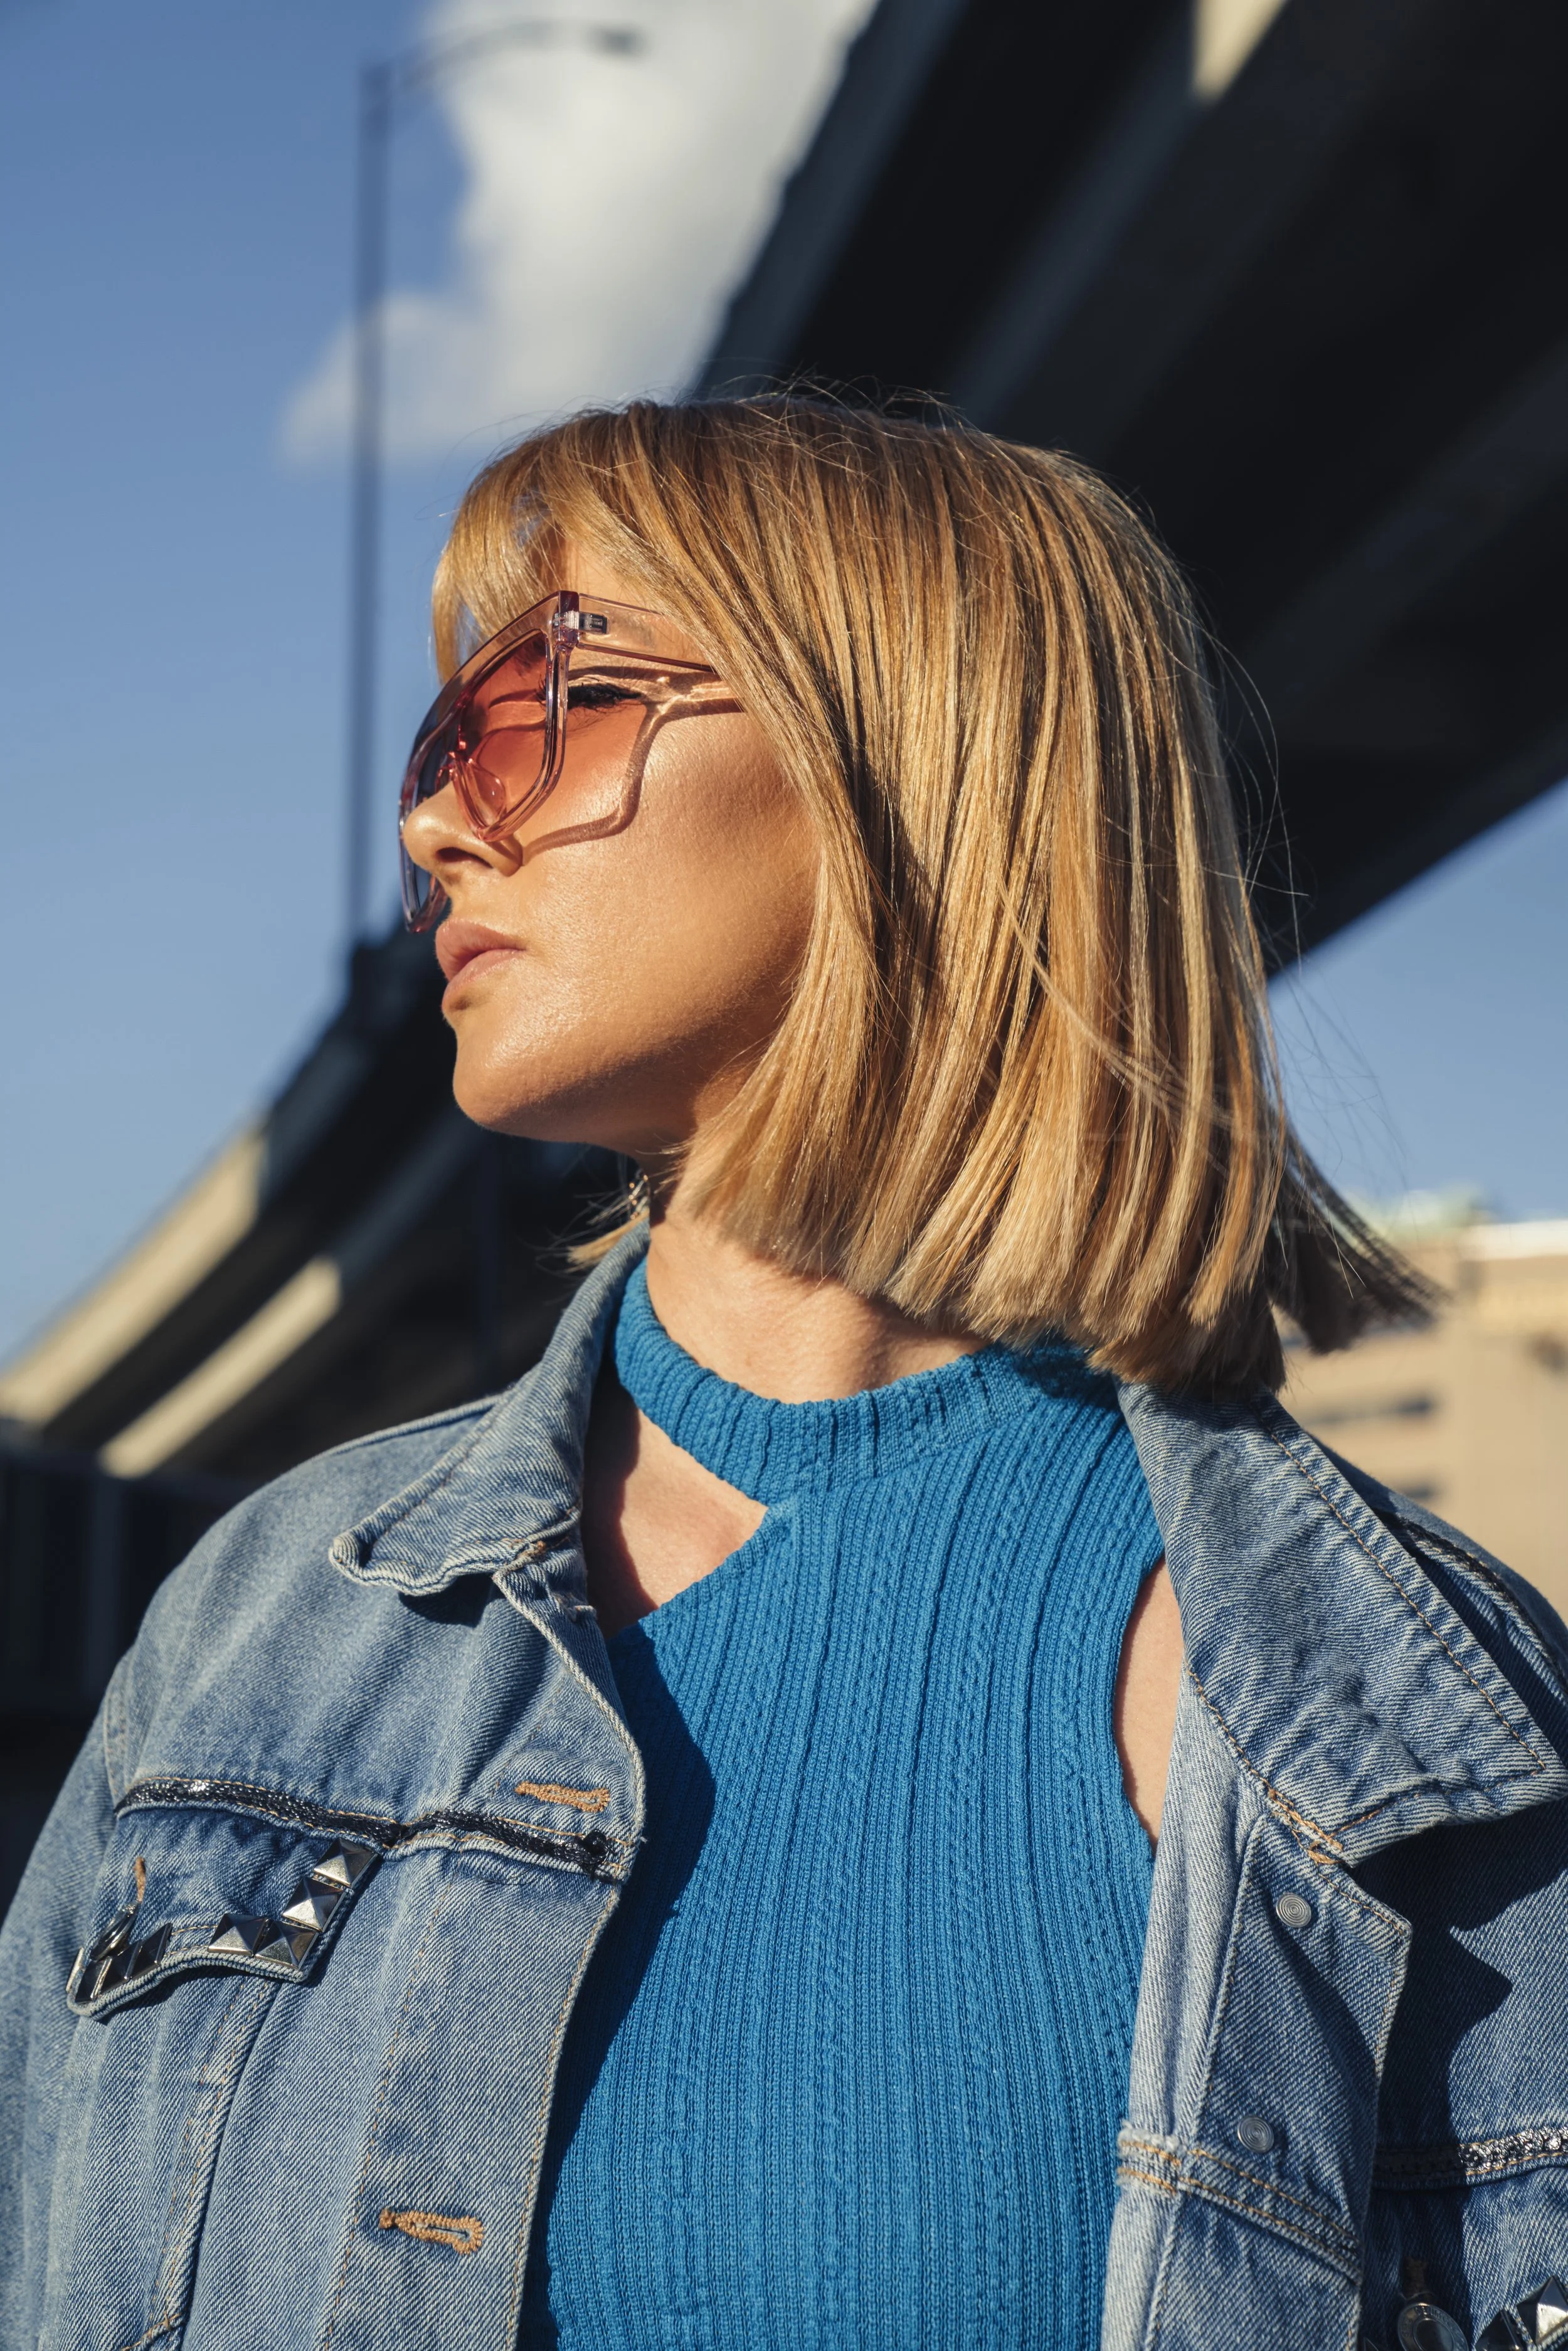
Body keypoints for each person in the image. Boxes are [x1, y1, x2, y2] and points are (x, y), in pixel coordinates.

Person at [3, 398, 1565, 2351]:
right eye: (441, 735)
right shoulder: (263, 1625)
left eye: (535, 701)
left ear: (891, 757)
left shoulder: (1430, 1727)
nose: (432, 817)